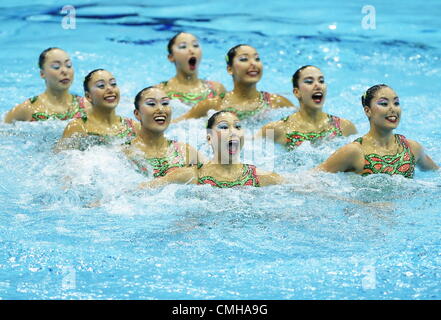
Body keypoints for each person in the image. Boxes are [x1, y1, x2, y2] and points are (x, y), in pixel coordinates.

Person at [316, 84, 439, 177]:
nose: (393, 109)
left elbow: (437, 174)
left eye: (396, 103)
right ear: (367, 110)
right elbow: (310, 180)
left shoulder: (412, 149)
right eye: (384, 104)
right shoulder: (354, 152)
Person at [141, 110, 284, 188]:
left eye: (238, 127)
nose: (233, 131)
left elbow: (296, 185)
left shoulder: (259, 177)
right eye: (224, 127)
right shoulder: (191, 176)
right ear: (209, 138)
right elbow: (145, 189)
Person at [173, 44, 294, 122]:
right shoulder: (212, 106)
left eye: (257, 59)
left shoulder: (277, 103)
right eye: (244, 59)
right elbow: (175, 125)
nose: (253, 63)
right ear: (229, 69)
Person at [257, 65, 356, 149]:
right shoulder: (277, 129)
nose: (318, 85)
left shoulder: (345, 127)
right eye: (309, 81)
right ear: (297, 92)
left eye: (321, 81)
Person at [124, 86, 205, 178]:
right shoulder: (124, 154)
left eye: (165, 103)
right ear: (137, 114)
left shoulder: (186, 152)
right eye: (151, 104)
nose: (161, 109)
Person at [55, 69, 139, 151]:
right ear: (88, 96)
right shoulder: (78, 128)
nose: (110, 89)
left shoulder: (133, 127)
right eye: (101, 85)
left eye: (113, 84)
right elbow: (60, 160)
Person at [4, 47, 90, 123]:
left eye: (68, 65)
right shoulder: (29, 108)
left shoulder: (87, 106)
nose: (65, 71)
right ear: (42, 74)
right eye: (56, 67)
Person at [156, 32, 226, 106]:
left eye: (195, 45)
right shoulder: (160, 91)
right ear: (171, 57)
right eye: (183, 47)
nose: (192, 50)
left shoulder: (216, 89)